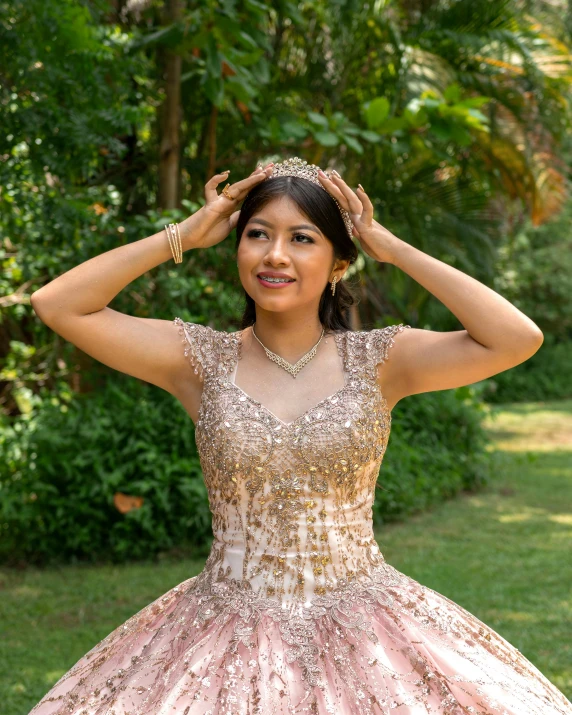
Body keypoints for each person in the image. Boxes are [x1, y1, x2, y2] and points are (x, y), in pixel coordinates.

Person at [29, 156, 571, 715]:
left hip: (366, 620)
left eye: (302, 238)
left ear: (339, 262)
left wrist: (391, 247)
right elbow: (57, 304)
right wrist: (182, 236)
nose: (275, 255)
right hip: (219, 629)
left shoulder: (381, 360)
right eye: (258, 235)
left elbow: (516, 338)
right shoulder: (200, 361)